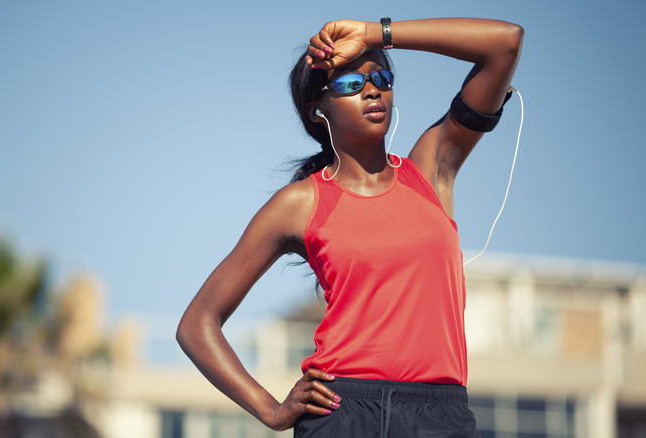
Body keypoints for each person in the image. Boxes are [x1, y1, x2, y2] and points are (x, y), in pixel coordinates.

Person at [177, 17, 523, 437]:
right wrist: (269, 410)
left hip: (440, 414)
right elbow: (197, 323)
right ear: (316, 109)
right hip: (343, 411)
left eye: (380, 77)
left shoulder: (432, 170)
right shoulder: (300, 203)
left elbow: (505, 43)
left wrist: (375, 35)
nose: (372, 89)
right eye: (348, 84)